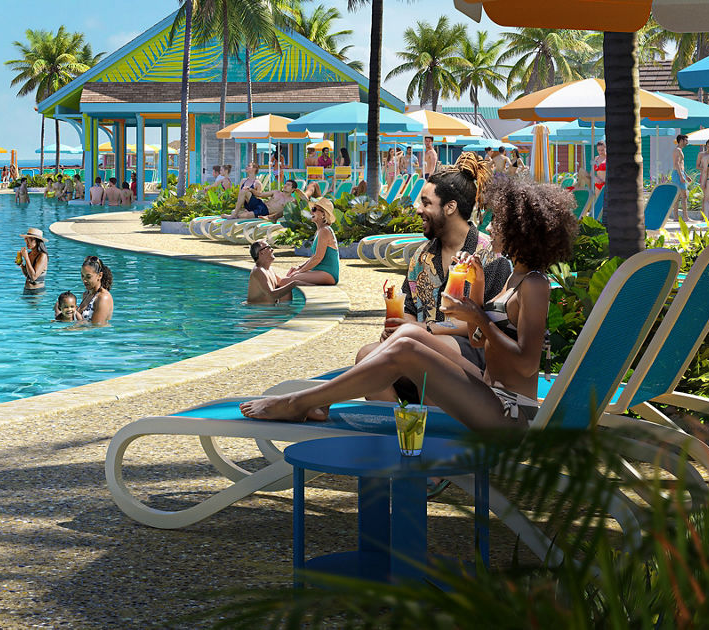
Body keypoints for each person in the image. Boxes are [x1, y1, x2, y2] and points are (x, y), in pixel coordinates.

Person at [240, 172, 578, 430]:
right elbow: (480, 337)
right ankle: (319, 402)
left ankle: (302, 401)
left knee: (408, 348)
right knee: (410, 335)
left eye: (502, 223)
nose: (494, 228)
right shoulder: (512, 279)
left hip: (510, 410)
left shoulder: (534, 284)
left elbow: (526, 363)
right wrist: (474, 301)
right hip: (489, 391)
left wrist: (479, 317)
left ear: (521, 231)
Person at [391, 153, 512, 337]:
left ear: (450, 207)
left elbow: (490, 321)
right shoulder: (422, 256)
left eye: (426, 203)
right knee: (366, 352)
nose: (418, 210)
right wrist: (401, 330)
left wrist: (423, 331)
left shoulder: (490, 257)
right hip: (418, 346)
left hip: (469, 351)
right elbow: (409, 308)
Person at [282, 198, 340, 286]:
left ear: (323, 214)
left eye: (314, 209)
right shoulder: (319, 231)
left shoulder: (324, 231)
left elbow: (317, 258)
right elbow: (314, 257)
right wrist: (299, 267)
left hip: (328, 273)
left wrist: (300, 271)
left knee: (288, 280)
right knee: (289, 278)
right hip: (320, 271)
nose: (311, 212)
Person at [247, 240, 296, 305]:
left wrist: (294, 275)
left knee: (285, 288)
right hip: (258, 311)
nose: (272, 249)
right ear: (261, 253)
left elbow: (281, 282)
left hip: (267, 311)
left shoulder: (269, 269)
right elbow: (272, 295)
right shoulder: (258, 271)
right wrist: (295, 283)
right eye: (269, 247)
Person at [78, 255, 115, 324]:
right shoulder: (86, 294)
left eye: (88, 277)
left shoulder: (103, 298)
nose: (84, 280)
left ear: (100, 275)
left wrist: (69, 329)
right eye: (82, 276)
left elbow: (96, 327)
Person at [671, 133, 690, 221]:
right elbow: (677, 164)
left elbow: (681, 165)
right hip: (677, 174)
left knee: (678, 196)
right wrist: (681, 176)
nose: (687, 142)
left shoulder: (679, 150)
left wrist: (685, 175)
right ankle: (685, 217)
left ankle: (676, 217)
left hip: (679, 173)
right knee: (684, 196)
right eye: (686, 140)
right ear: (681, 141)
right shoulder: (677, 150)